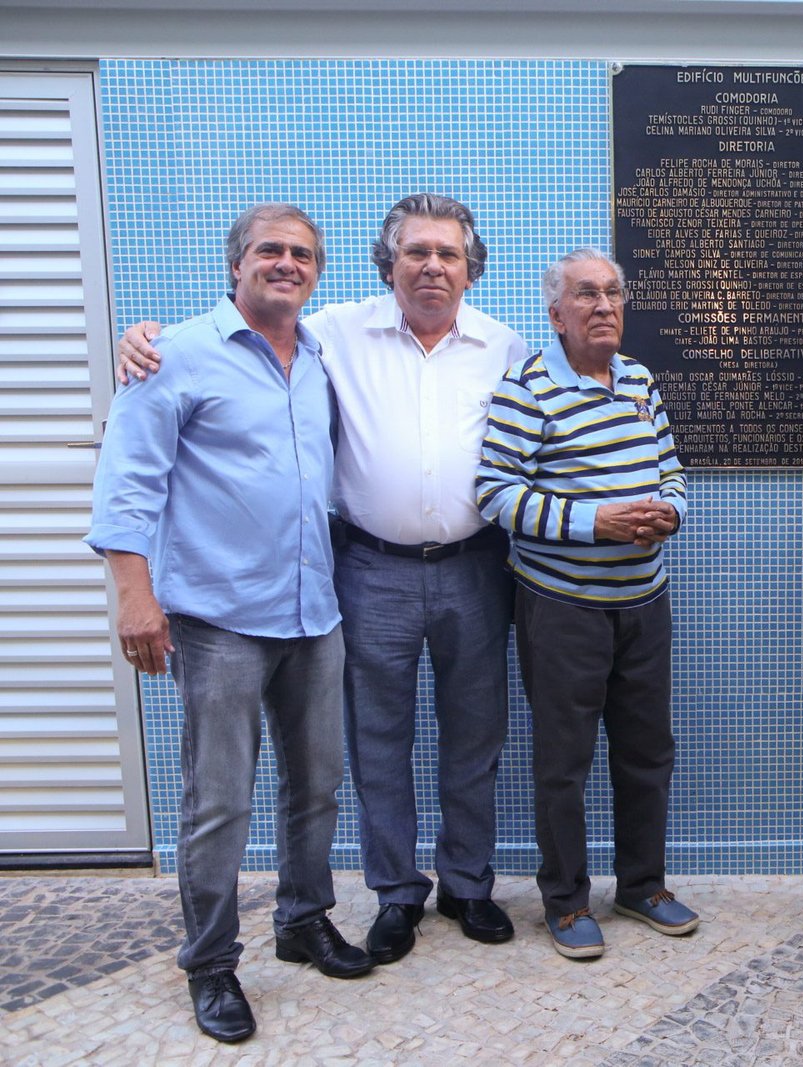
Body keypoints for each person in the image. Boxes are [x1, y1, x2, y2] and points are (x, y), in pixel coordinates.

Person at [119, 194, 528, 964]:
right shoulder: (334, 331)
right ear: (388, 263)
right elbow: (235, 332)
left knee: (474, 737)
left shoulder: (503, 347)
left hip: (475, 570)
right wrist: (141, 338)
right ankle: (397, 894)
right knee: (376, 742)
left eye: (448, 253)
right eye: (416, 251)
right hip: (369, 570)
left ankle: (467, 884)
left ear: (471, 268)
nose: (433, 266)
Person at [87, 204, 373, 1044]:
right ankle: (211, 962)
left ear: (317, 272)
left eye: (303, 254)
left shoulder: (318, 354)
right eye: (270, 251)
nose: (287, 263)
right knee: (219, 800)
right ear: (236, 264)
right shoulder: (172, 355)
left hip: (314, 612)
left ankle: (302, 918)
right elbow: (128, 482)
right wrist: (135, 597)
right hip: (216, 619)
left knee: (317, 783)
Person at [476, 248, 696, 960]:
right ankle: (566, 899)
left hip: (644, 602)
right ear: (556, 313)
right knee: (563, 762)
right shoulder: (527, 387)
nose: (604, 306)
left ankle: (642, 884)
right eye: (586, 295)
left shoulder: (639, 379)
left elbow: (670, 472)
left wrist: (669, 513)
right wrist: (592, 522)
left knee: (646, 752)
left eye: (612, 293)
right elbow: (495, 493)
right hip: (561, 607)